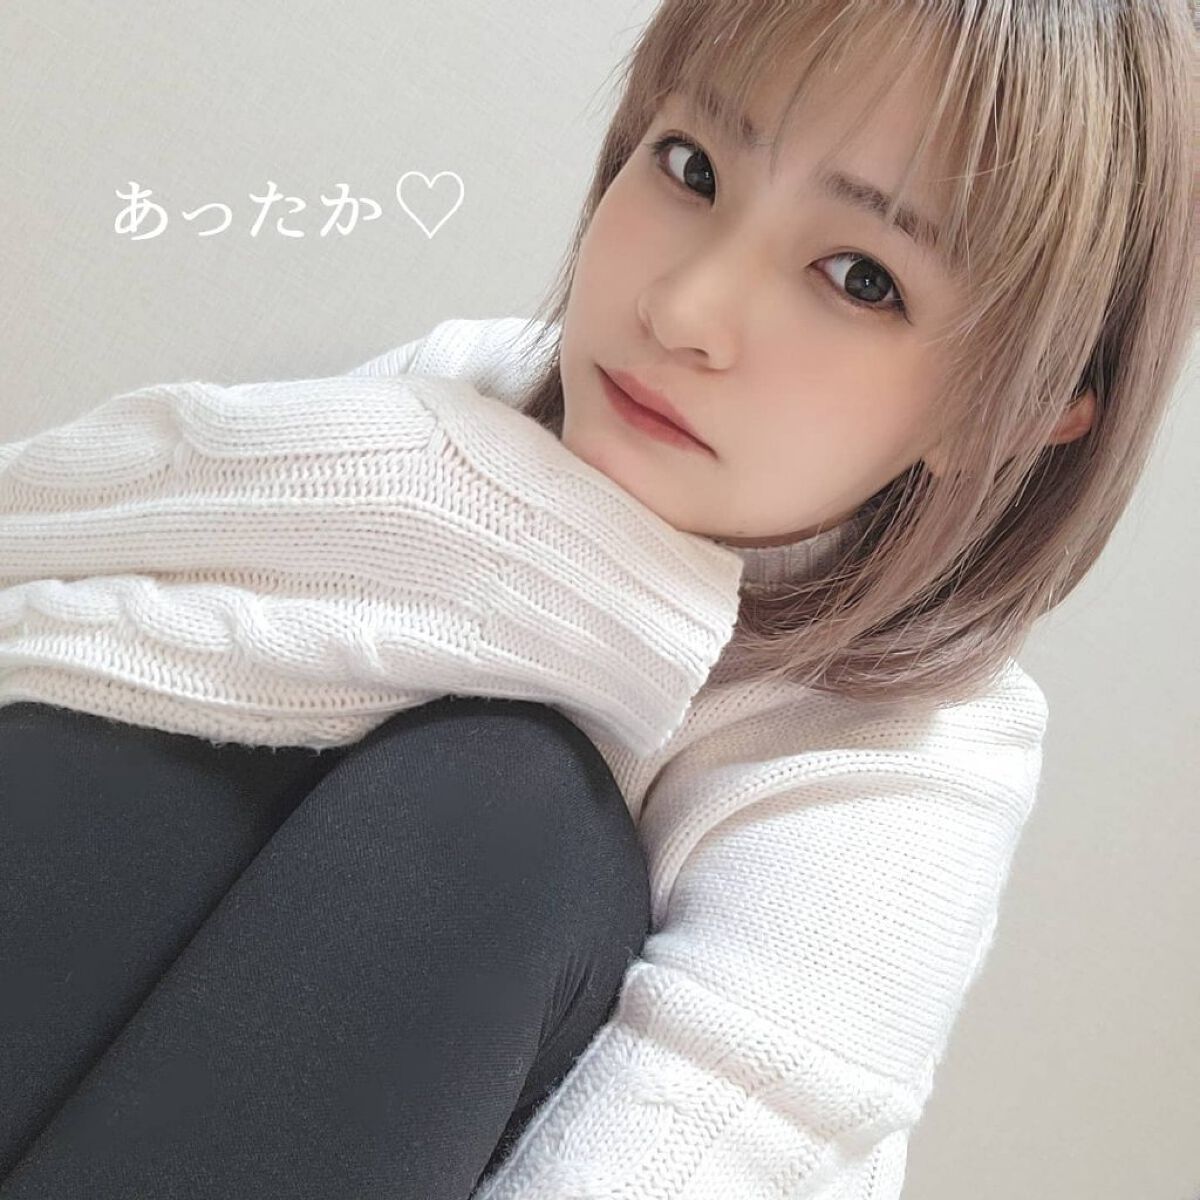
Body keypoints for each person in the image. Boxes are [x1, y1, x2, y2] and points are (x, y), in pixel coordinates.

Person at [0, 2, 1195, 1198]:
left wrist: (569, 599)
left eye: (860, 278)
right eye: (692, 166)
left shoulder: (908, 774)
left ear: (1007, 413)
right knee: (192, 730)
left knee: (509, 802)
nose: (683, 310)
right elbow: (30, 566)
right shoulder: (473, 394)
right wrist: (486, 521)